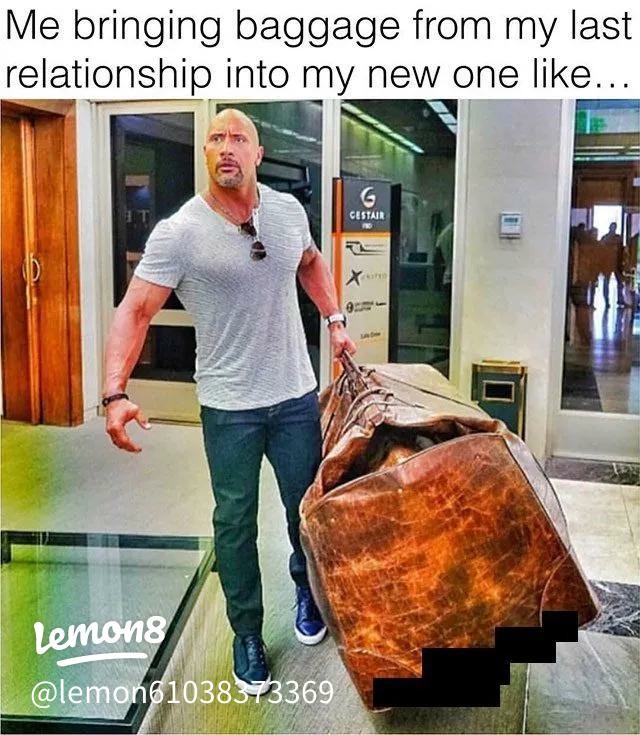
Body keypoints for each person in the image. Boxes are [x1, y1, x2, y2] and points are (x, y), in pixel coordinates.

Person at [103, 108, 357, 695]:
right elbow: (135, 311)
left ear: (257, 153)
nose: (226, 147)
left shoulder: (287, 213)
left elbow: (311, 262)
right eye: (215, 138)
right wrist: (115, 391)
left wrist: (335, 318)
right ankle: (247, 633)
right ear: (206, 154)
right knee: (235, 525)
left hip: (294, 396)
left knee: (306, 510)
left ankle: (306, 590)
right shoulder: (179, 233)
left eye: (238, 138)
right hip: (229, 407)